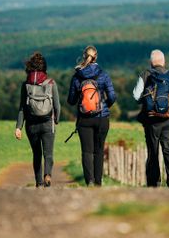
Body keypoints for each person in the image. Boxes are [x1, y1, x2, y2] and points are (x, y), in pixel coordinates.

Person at [133, 49, 169, 188]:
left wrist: (145, 102)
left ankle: (154, 184)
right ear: (164, 62)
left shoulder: (146, 74)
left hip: (151, 120)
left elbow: (136, 96)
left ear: (151, 63)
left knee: (153, 151)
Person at [67, 45, 116, 186]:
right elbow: (112, 96)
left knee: (87, 151)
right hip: (102, 118)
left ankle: (89, 181)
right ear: (97, 56)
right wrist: (105, 106)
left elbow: (71, 100)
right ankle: (98, 183)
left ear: (84, 56)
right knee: (99, 151)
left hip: (84, 120)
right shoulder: (104, 75)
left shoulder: (77, 76)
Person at [14, 52, 61, 187]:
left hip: (31, 124)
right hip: (48, 123)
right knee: (48, 153)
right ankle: (47, 174)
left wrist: (18, 127)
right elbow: (57, 105)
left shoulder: (26, 85)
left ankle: (39, 183)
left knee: (36, 154)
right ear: (44, 67)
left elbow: (22, 107)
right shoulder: (51, 83)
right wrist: (56, 120)